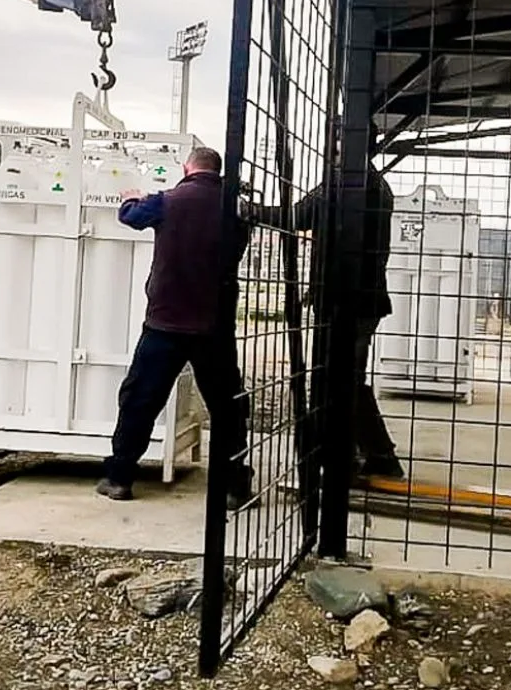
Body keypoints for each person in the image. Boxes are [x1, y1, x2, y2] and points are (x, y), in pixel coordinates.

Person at [96, 146, 255, 509]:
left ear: (187, 167)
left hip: (165, 321)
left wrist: (131, 198)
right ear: (217, 171)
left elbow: (131, 217)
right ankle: (233, 485)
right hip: (214, 325)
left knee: (140, 400)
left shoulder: (168, 200)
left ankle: (120, 477)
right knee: (227, 404)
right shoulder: (235, 208)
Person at [242, 123, 403, 479]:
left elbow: (299, 216)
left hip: (347, 302)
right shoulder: (371, 182)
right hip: (357, 299)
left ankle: (356, 461)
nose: (332, 147)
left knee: (340, 381)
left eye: (337, 140)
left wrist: (250, 210)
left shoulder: (345, 181)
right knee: (345, 380)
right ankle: (369, 458)